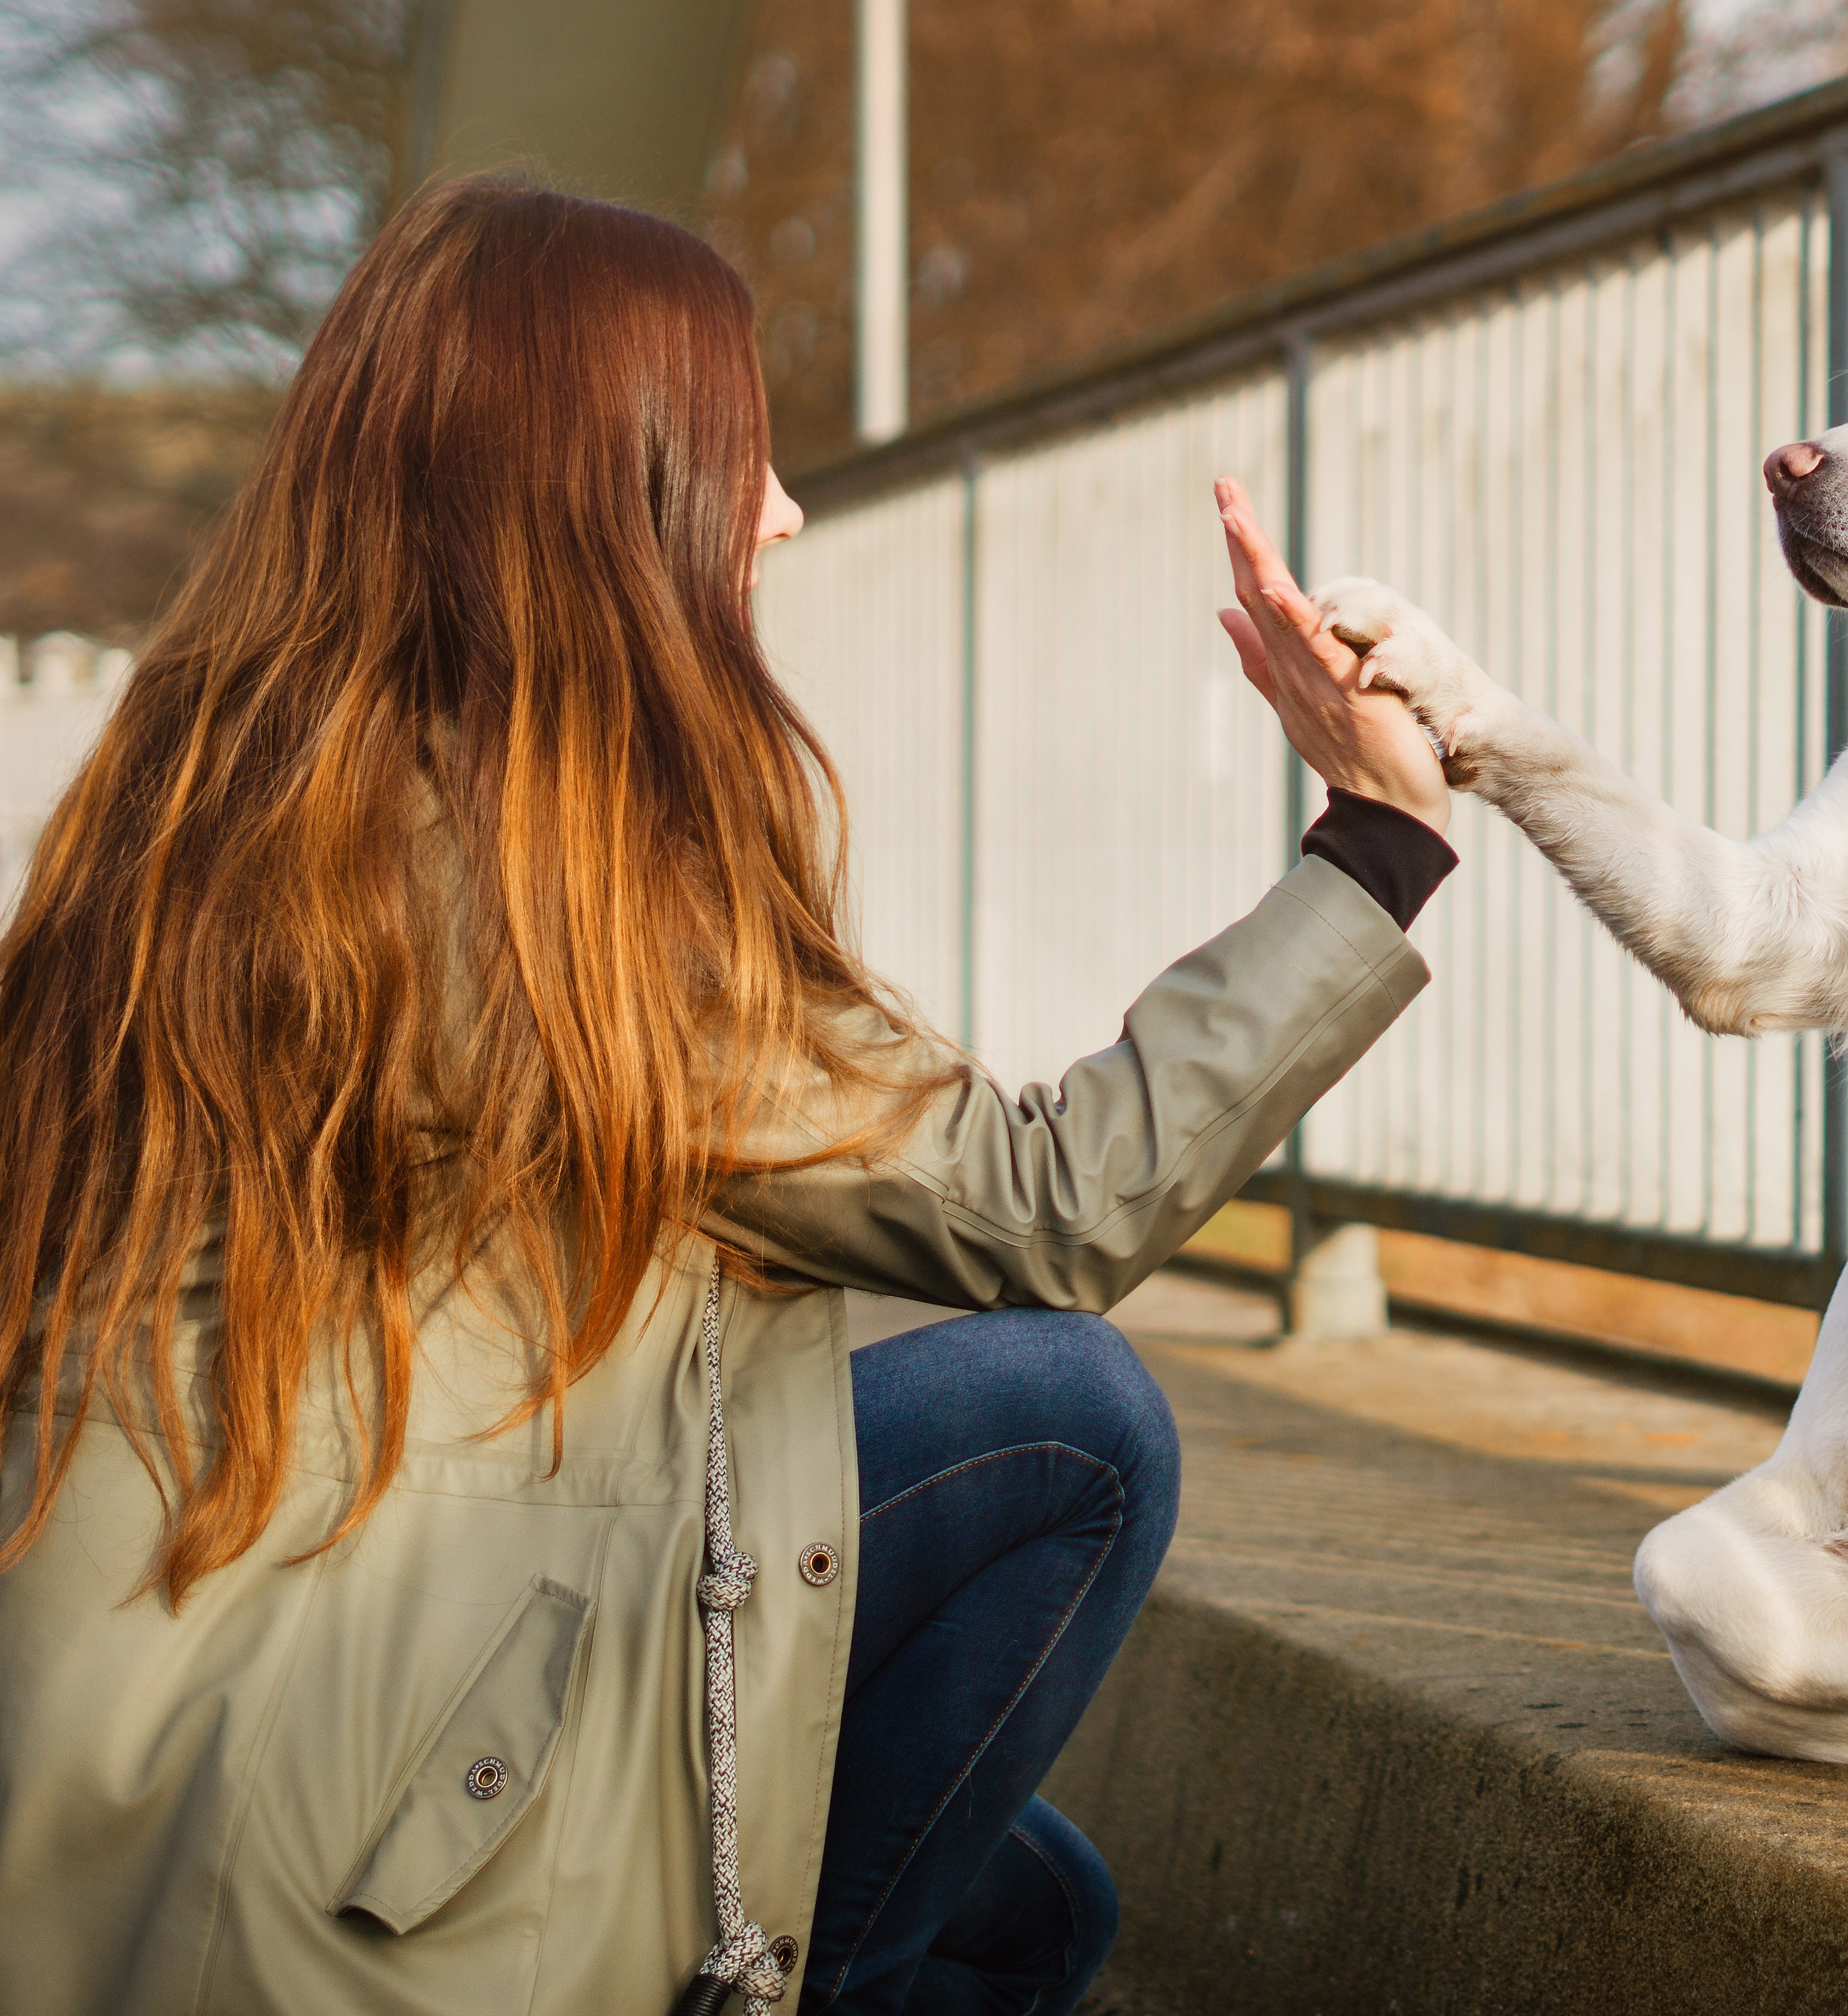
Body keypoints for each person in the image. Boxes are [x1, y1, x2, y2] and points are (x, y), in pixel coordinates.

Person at [0, 176, 1444, 2016]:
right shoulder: (533, 893)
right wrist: (1380, 843)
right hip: (329, 1858)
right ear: (605, 489)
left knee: (1035, 1901)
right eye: (738, 453)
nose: (782, 508)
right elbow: (1043, 1203)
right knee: (1070, 1418)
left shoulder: (223, 776)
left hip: (159, 1745)